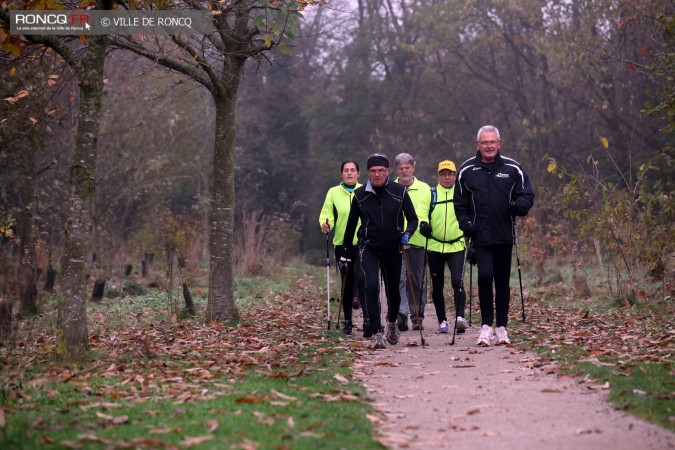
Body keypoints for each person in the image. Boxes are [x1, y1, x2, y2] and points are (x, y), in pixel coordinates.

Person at [454, 125, 534, 346]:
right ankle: (486, 326)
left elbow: (527, 195)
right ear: (477, 145)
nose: (488, 146)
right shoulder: (467, 170)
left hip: (504, 234)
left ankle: (502, 327)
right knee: (484, 276)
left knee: (501, 281)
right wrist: (465, 224)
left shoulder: (512, 168)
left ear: (499, 143)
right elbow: (459, 204)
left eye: (492, 142)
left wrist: (518, 206)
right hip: (480, 235)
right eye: (484, 142)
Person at [343, 153, 419, 349]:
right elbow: (351, 225)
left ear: (388, 171)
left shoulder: (399, 191)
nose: (377, 175)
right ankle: (377, 331)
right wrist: (345, 250)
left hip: (393, 247)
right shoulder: (360, 195)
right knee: (371, 286)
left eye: (381, 171)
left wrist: (408, 233)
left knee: (394, 292)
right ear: (368, 173)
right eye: (373, 171)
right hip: (369, 247)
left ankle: (392, 322)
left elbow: (412, 218)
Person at [419, 160, 468, 334]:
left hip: (457, 245)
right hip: (435, 245)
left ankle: (460, 317)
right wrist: (423, 225)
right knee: (437, 284)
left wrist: (473, 240)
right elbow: (422, 214)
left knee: (457, 282)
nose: (447, 178)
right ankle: (442, 321)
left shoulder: (462, 194)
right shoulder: (431, 194)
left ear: (455, 175)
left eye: (450, 174)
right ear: (438, 176)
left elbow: (471, 216)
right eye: (443, 174)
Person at [319, 160, 364, 335]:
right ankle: (348, 321)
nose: (350, 173)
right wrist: (325, 224)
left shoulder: (365, 191)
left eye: (353, 170)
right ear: (341, 174)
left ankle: (369, 320)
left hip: (364, 243)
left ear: (358, 174)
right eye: (346, 170)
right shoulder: (333, 192)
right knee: (346, 282)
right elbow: (326, 212)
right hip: (342, 244)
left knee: (363, 280)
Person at [393, 153, 431, 332]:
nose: (404, 171)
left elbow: (427, 213)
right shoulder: (390, 187)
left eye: (407, 168)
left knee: (416, 281)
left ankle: (417, 317)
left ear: (413, 168)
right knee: (399, 279)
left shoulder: (424, 189)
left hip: (418, 241)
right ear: (396, 170)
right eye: (401, 168)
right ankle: (401, 314)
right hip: (395, 242)